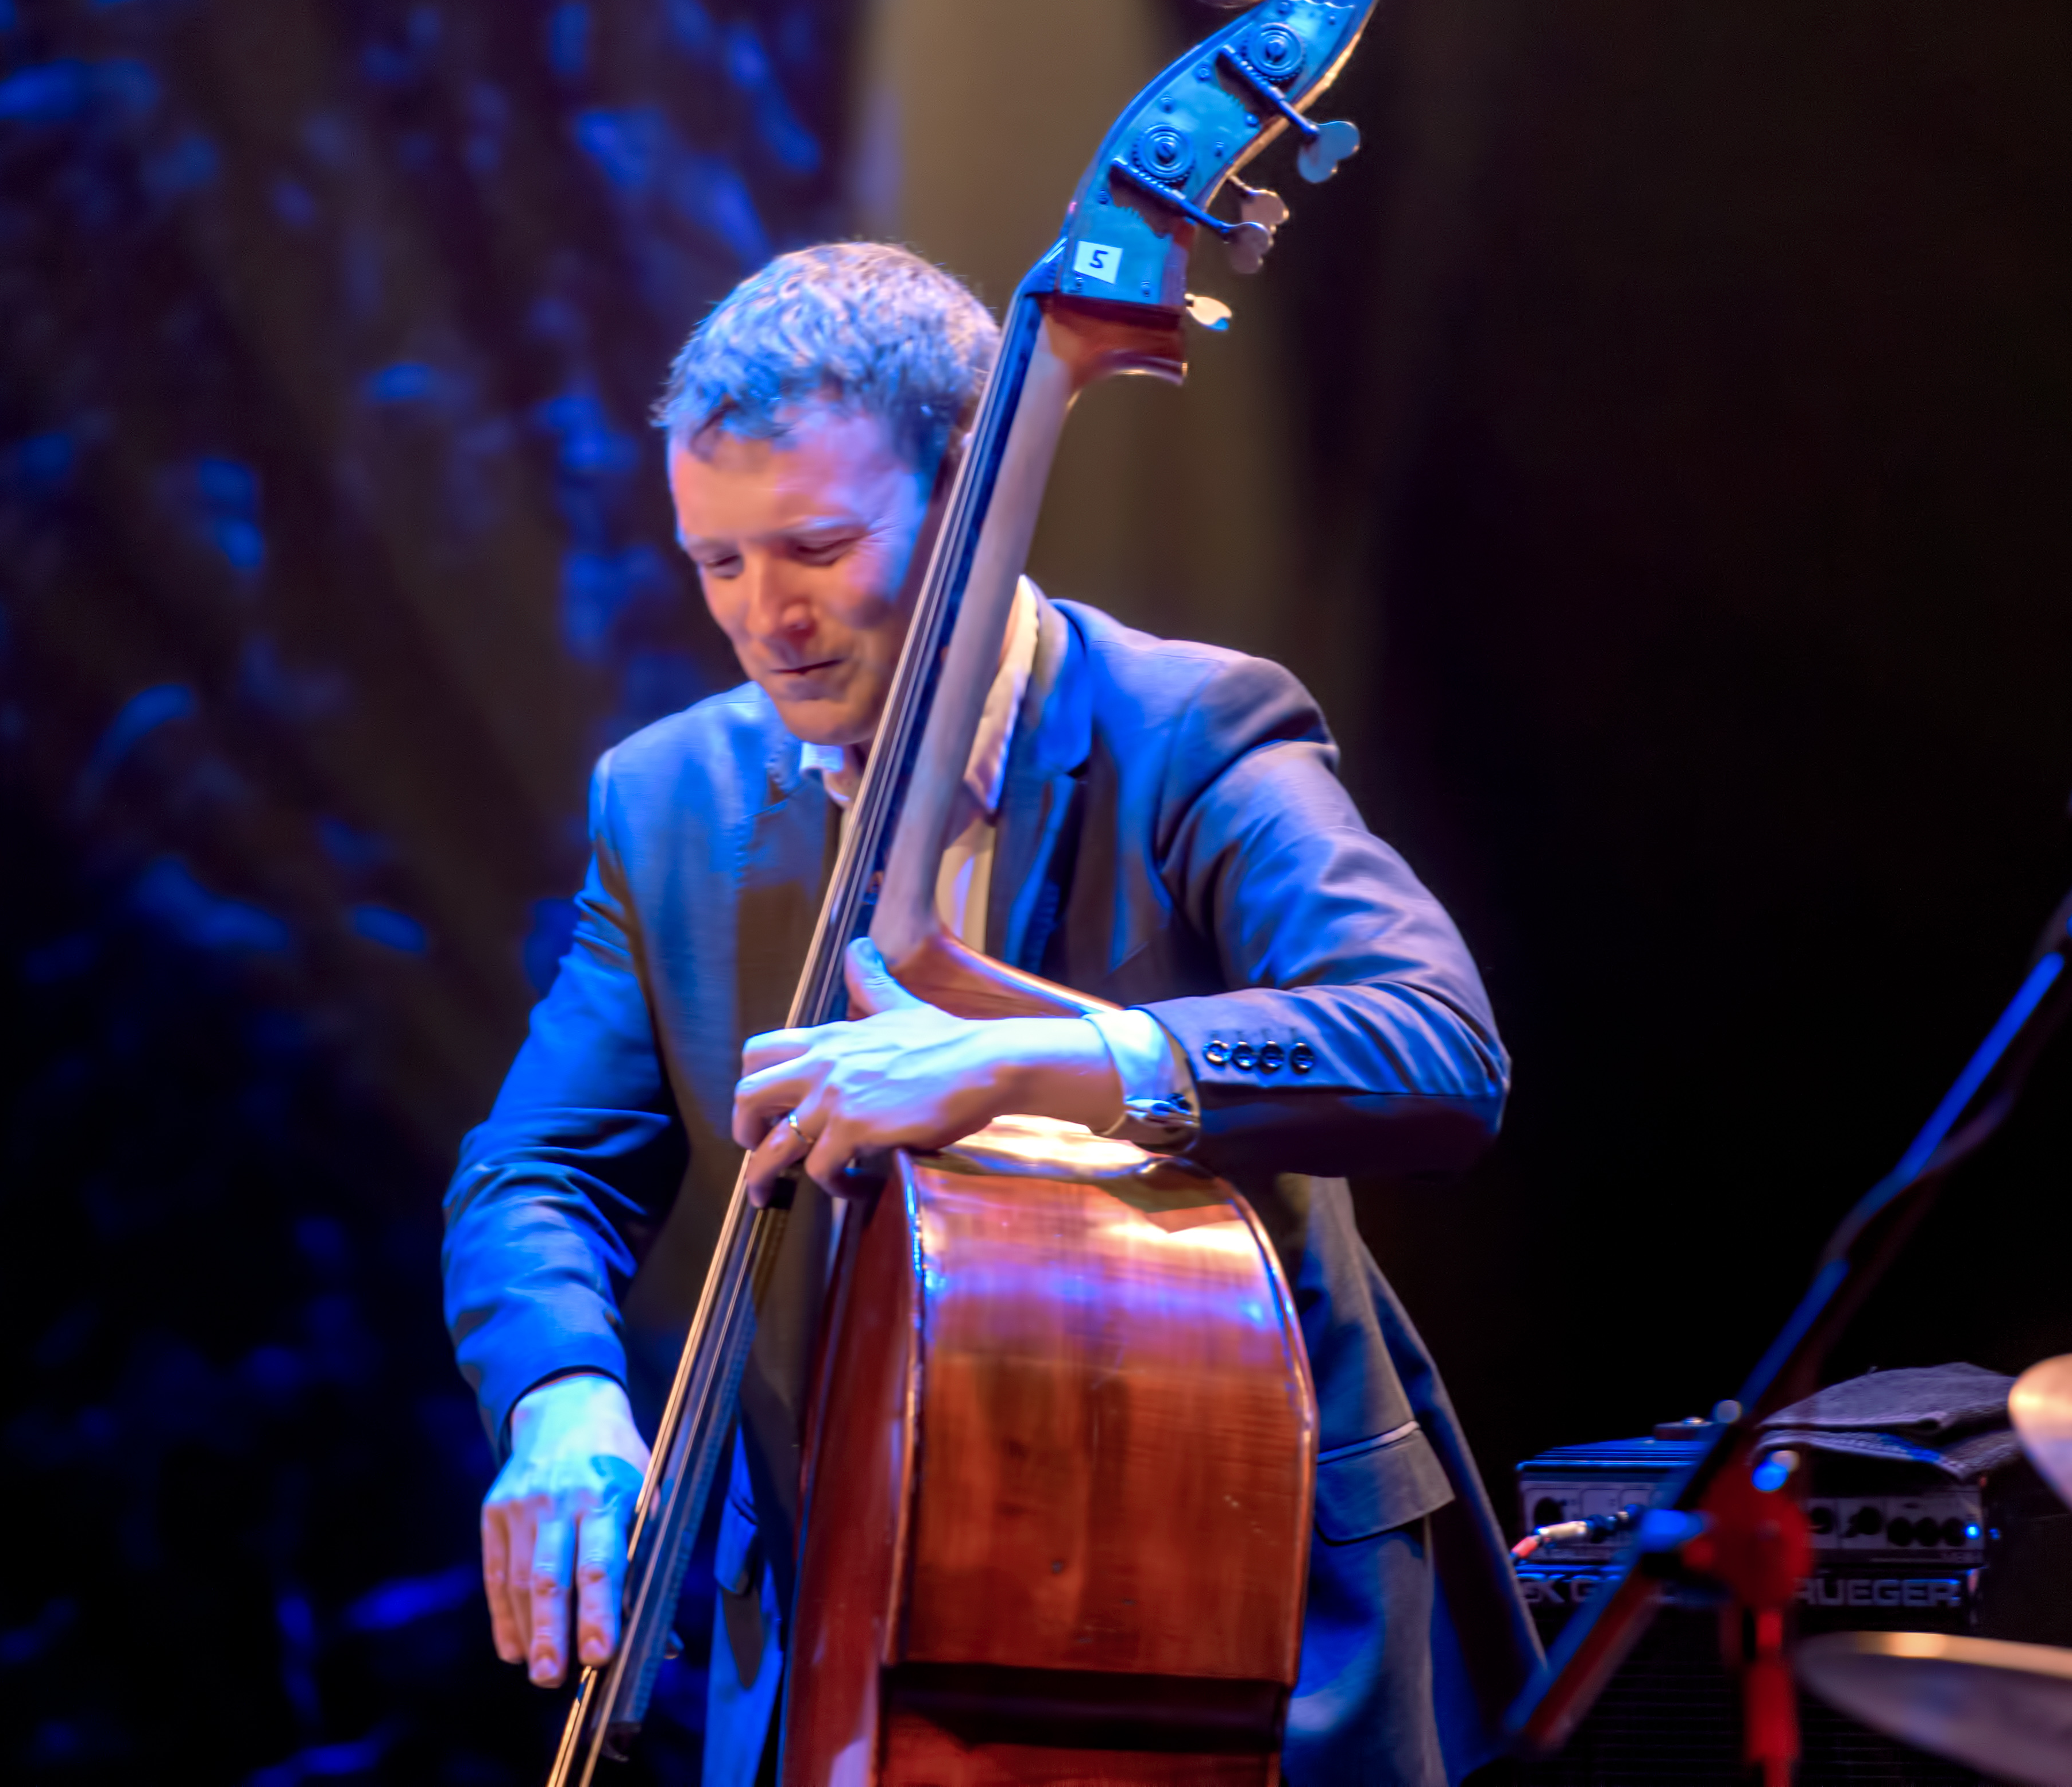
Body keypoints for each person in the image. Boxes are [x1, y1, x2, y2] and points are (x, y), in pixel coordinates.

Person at [443, 242, 1536, 1786]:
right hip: (846, 1623)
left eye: (816, 547)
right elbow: (534, 1173)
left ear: (967, 503)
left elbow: (1433, 1044)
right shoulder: (669, 798)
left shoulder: (1189, 729)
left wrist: (1051, 1060)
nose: (768, 619)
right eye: (719, 564)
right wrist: (559, 1401)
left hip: (1246, 1622)